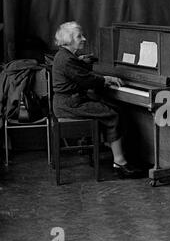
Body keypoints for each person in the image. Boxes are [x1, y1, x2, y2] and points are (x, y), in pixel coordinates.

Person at [52, 21, 137, 178]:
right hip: (70, 105)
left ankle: (119, 150)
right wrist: (106, 78)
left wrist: (82, 61)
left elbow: (77, 70)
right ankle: (119, 162)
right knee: (113, 115)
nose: (83, 39)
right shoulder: (67, 60)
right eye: (79, 36)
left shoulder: (65, 55)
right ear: (68, 40)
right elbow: (86, 80)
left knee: (115, 108)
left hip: (67, 102)